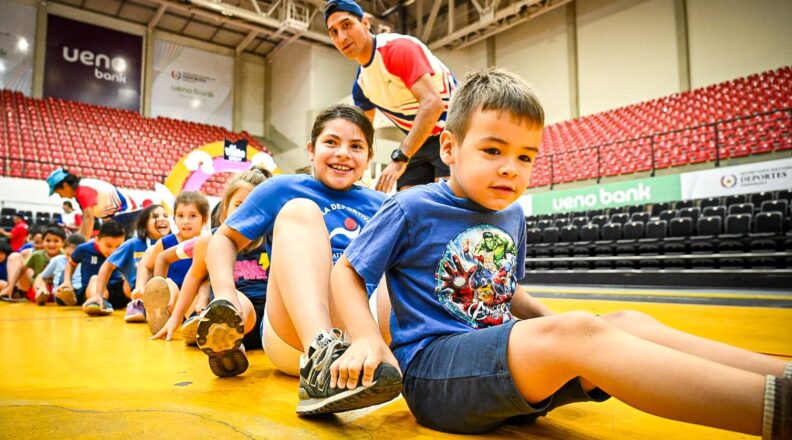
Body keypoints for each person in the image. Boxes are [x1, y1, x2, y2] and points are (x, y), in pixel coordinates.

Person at [328, 69, 792, 438]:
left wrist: (567, 325)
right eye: (493, 150)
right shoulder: (412, 205)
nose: (510, 168)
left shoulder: (510, 216)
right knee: (580, 333)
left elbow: (507, 293)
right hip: (435, 377)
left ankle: (780, 372)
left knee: (625, 323)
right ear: (449, 147)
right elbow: (347, 271)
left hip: (498, 367)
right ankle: (777, 411)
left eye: (526, 157)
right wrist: (368, 339)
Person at [200, 104, 401, 415]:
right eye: (331, 142)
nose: (343, 153)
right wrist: (226, 297)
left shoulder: (382, 203)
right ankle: (319, 361)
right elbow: (223, 238)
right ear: (311, 149)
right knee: (300, 210)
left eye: (356, 146)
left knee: (400, 243)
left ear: (369, 158)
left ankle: (411, 353)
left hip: (366, 333)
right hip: (294, 337)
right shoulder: (283, 188)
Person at [324, 0, 457, 193]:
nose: (342, 37)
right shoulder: (361, 86)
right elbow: (362, 134)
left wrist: (400, 156)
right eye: (333, 32)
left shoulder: (397, 49)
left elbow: (433, 104)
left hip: (453, 130)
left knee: (446, 208)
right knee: (409, 208)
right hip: (419, 140)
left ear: (366, 22)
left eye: (346, 25)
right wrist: (354, 168)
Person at [151, 168, 272, 348]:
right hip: (233, 311)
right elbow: (194, 276)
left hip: (269, 322)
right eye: (239, 205)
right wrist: (174, 319)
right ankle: (228, 344)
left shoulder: (272, 237)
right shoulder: (209, 240)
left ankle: (219, 337)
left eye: (255, 207)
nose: (247, 212)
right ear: (226, 207)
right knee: (236, 301)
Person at [133, 192, 209, 335]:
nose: (186, 221)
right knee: (168, 283)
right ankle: (159, 314)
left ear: (204, 219)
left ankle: (195, 321)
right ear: (174, 218)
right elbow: (145, 264)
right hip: (171, 298)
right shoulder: (166, 242)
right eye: (180, 216)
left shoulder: (207, 241)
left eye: (192, 216)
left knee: (200, 291)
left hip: (194, 298)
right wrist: (140, 286)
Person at [96, 204, 171, 323]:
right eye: (155, 216)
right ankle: (138, 304)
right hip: (139, 290)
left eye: (165, 215)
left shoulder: (173, 242)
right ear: (144, 223)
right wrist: (98, 295)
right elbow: (107, 266)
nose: (162, 218)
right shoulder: (132, 244)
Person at [46, 168, 141, 239]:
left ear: (65, 185)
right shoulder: (79, 193)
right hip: (123, 214)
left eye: (59, 193)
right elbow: (85, 221)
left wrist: (81, 244)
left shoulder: (83, 190)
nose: (61, 196)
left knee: (112, 245)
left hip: (128, 212)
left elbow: (89, 219)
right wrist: (77, 239)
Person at [57, 221, 127, 315]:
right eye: (108, 245)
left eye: (118, 246)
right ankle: (97, 302)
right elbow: (71, 264)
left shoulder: (125, 250)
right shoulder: (84, 249)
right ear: (97, 240)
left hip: (116, 292)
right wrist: (67, 281)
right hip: (90, 291)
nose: (113, 251)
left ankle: (139, 304)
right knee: (95, 278)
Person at [0, 225, 66, 302]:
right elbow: (21, 269)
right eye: (48, 241)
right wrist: (10, 287)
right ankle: (38, 294)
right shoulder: (36, 255)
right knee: (39, 280)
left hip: (57, 286)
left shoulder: (65, 256)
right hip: (38, 286)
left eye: (56, 241)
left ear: (63, 243)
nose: (51, 244)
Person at [34, 233, 85, 306]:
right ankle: (67, 295)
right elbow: (41, 276)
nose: (71, 259)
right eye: (68, 254)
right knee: (66, 271)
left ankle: (76, 298)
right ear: (63, 249)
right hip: (61, 292)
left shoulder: (86, 261)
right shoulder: (57, 260)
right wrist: (41, 288)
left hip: (81, 291)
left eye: (75, 256)